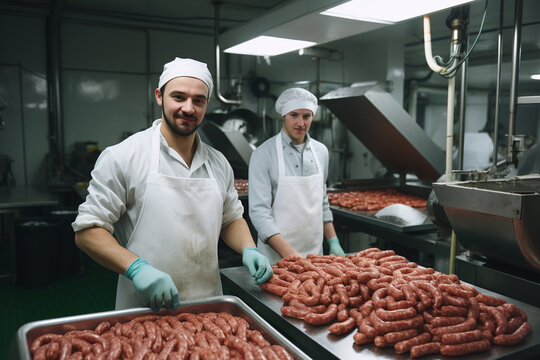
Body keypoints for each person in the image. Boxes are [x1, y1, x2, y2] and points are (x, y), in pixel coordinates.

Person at [72, 57, 273, 311]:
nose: (188, 108)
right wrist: (136, 268)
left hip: (208, 306)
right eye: (179, 97)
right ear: (159, 96)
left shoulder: (218, 163)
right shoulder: (124, 156)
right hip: (144, 308)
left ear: (206, 104)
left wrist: (249, 248)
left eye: (198, 100)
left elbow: (231, 218)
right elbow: (88, 231)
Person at [248, 87, 345, 264]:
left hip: (315, 256)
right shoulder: (263, 154)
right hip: (276, 259)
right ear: (283, 115)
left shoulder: (321, 151)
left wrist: (333, 241)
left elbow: (321, 203)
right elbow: (260, 213)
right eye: (294, 115)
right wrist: (292, 256)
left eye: (306, 116)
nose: (301, 123)